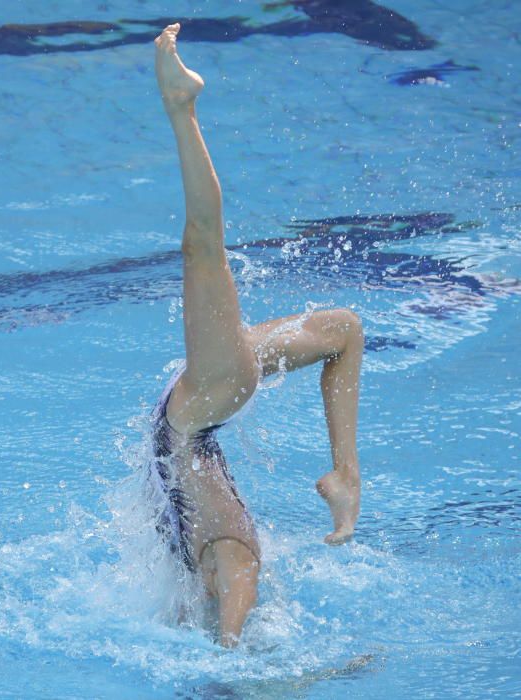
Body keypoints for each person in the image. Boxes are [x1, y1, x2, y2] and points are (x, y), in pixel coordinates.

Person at [151, 23, 364, 648]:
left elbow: (227, 652)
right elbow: (230, 651)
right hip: (197, 409)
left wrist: (230, 646)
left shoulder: (227, 553)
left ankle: (181, 109)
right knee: (342, 329)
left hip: (198, 410)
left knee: (205, 246)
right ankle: (346, 476)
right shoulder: (234, 555)